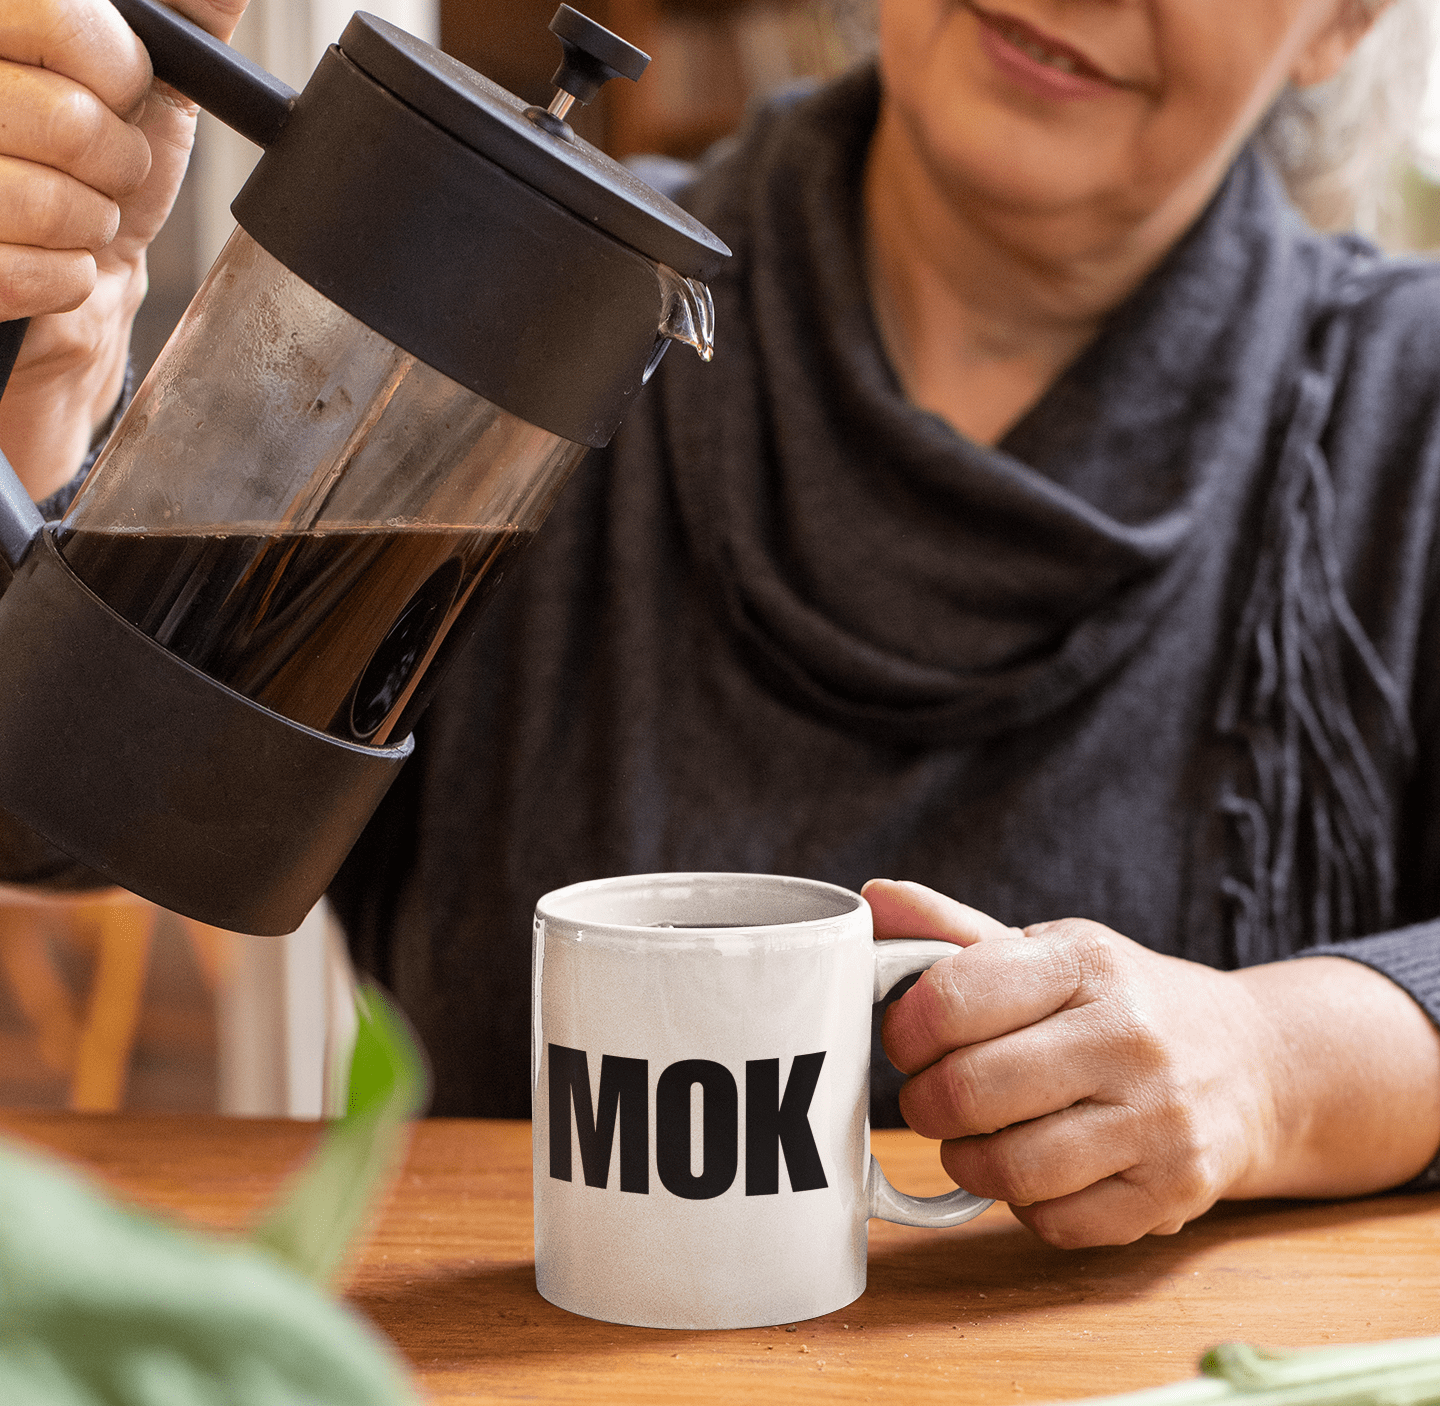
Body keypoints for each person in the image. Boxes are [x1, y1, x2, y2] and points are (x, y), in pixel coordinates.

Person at [2, 0, 1440, 1250]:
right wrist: (39, 411)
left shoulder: (1407, 415)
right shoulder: (530, 303)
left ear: (1343, 23)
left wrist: (1277, 1063)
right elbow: (70, 805)